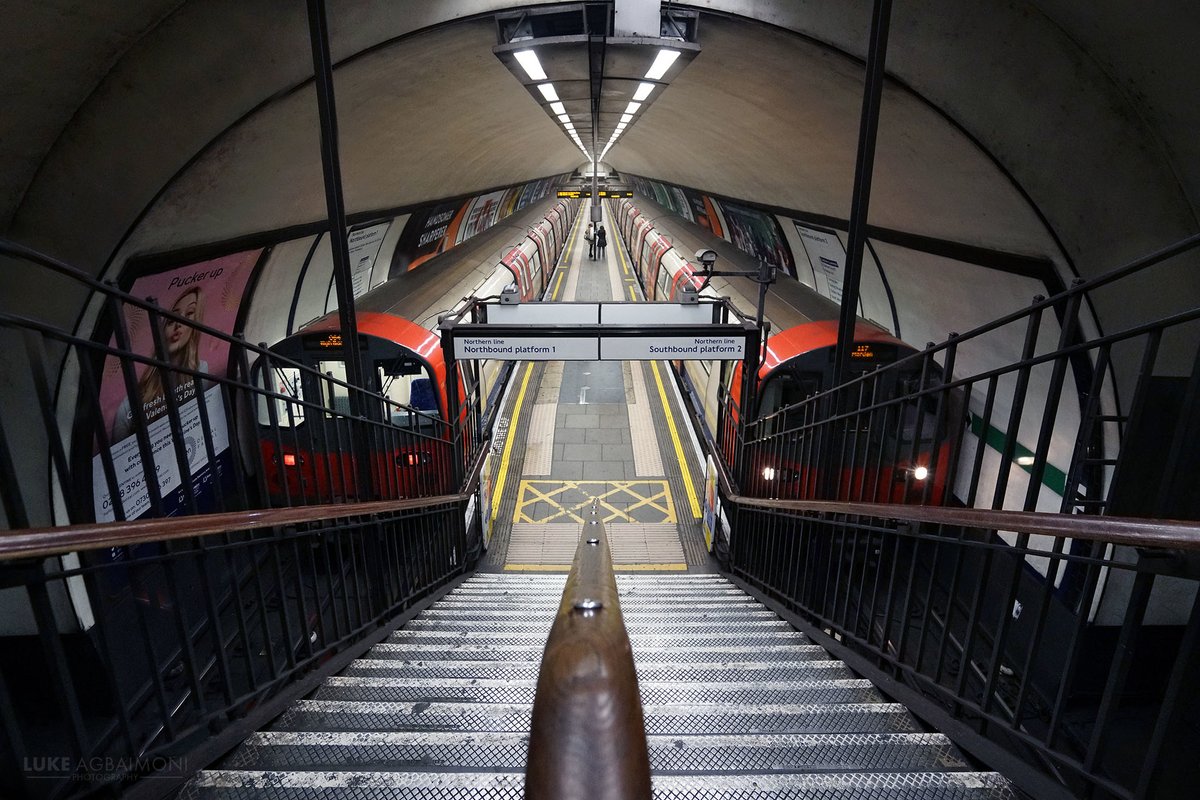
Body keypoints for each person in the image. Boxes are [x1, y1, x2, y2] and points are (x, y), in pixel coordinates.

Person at [111, 286, 208, 443]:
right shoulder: (129, 406)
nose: (178, 324)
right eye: (170, 319)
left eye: (190, 314)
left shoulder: (202, 370)